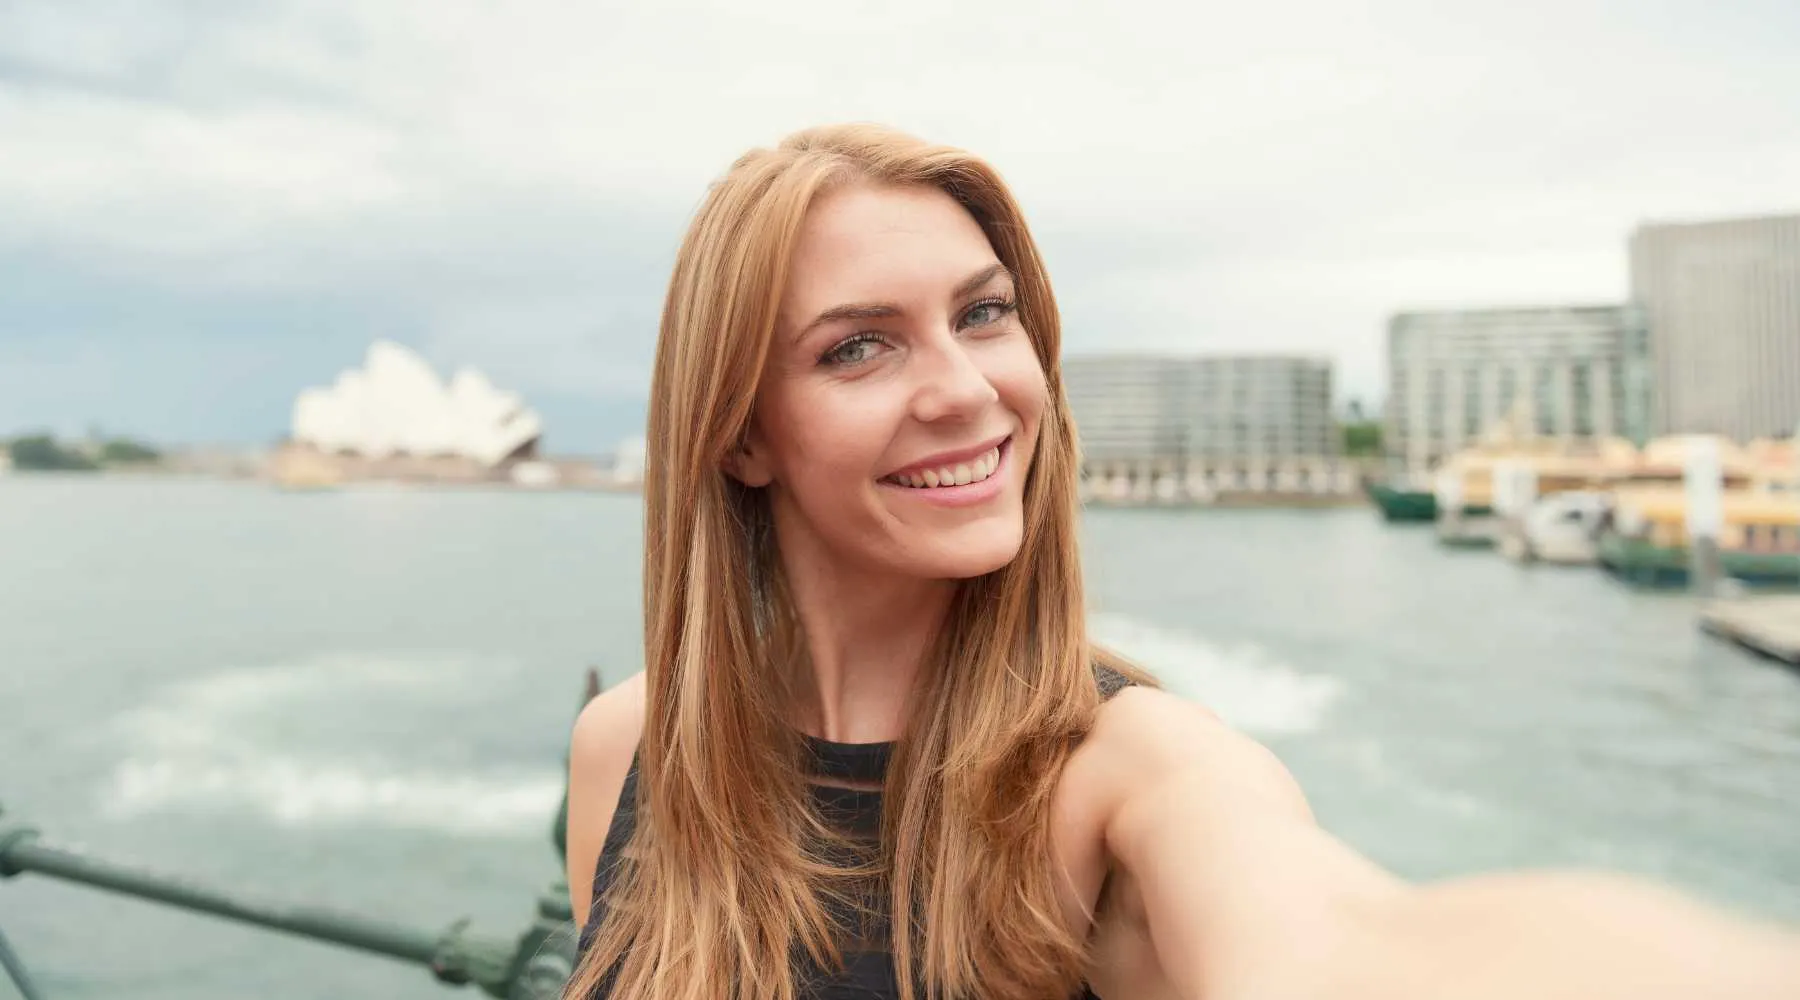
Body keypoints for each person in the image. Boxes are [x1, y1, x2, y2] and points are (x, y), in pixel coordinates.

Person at [562, 123, 1800, 1000]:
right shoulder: (630, 750)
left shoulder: (1131, 773)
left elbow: (1352, 945)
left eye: (984, 314)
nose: (967, 390)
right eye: (859, 348)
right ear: (737, 436)